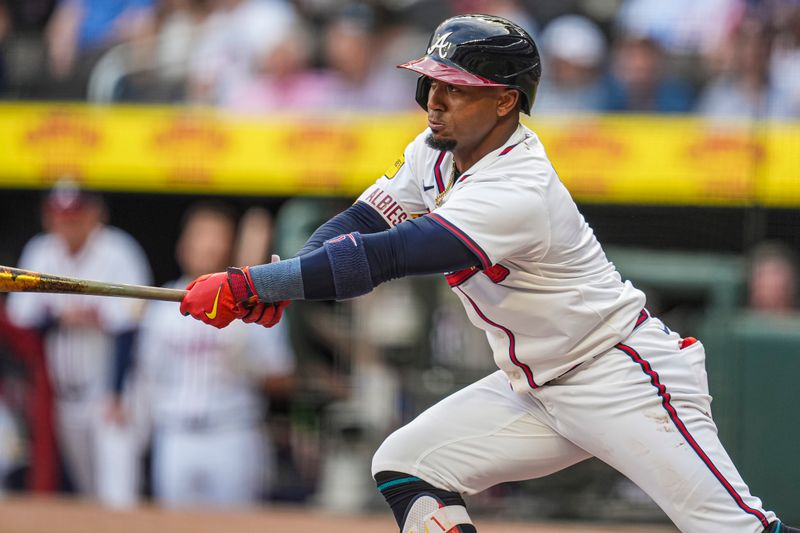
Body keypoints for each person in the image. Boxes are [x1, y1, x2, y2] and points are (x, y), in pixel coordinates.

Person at [180, 14, 797, 533]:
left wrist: (253, 284)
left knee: (739, 529)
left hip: (619, 376)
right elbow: (359, 223)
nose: (434, 101)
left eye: (455, 87)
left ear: (505, 101)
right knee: (406, 464)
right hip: (536, 387)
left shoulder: (517, 185)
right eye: (430, 84)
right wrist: (290, 277)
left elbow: (386, 256)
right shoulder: (433, 150)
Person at [137, 202, 294, 507]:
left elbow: (281, 377)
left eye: (216, 236)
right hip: (175, 434)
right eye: (201, 236)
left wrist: (246, 347)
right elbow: (146, 377)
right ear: (183, 245)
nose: (208, 245)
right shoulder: (162, 304)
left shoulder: (257, 304)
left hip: (232, 433)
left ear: (230, 245)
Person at [6, 181, 151, 505]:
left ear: (94, 214)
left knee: (118, 496)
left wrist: (116, 393)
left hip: (112, 393)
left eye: (75, 216)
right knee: (87, 494)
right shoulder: (41, 250)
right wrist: (61, 319)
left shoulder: (117, 250)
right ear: (48, 217)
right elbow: (21, 319)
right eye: (61, 216)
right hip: (64, 394)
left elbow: (129, 327)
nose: (68, 224)